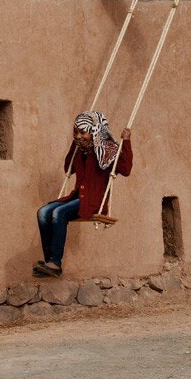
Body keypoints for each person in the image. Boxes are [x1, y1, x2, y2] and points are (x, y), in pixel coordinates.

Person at [34, 111, 133, 278]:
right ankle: (50, 262)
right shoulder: (80, 151)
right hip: (77, 197)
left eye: (82, 132)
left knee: (58, 213)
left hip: (95, 201)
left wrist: (127, 142)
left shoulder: (107, 150)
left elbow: (126, 169)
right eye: (75, 132)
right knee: (43, 212)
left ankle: (55, 263)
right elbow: (68, 169)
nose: (78, 136)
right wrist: (75, 145)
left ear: (94, 130)